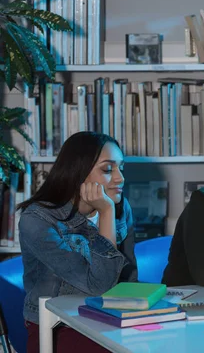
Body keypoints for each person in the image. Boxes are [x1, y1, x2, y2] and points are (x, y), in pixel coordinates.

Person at [19, 132, 137, 353]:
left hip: (108, 319)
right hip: (57, 326)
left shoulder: (122, 208)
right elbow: (100, 287)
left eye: (121, 168)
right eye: (108, 169)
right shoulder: (37, 220)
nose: (120, 177)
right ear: (78, 172)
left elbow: (129, 277)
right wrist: (106, 213)